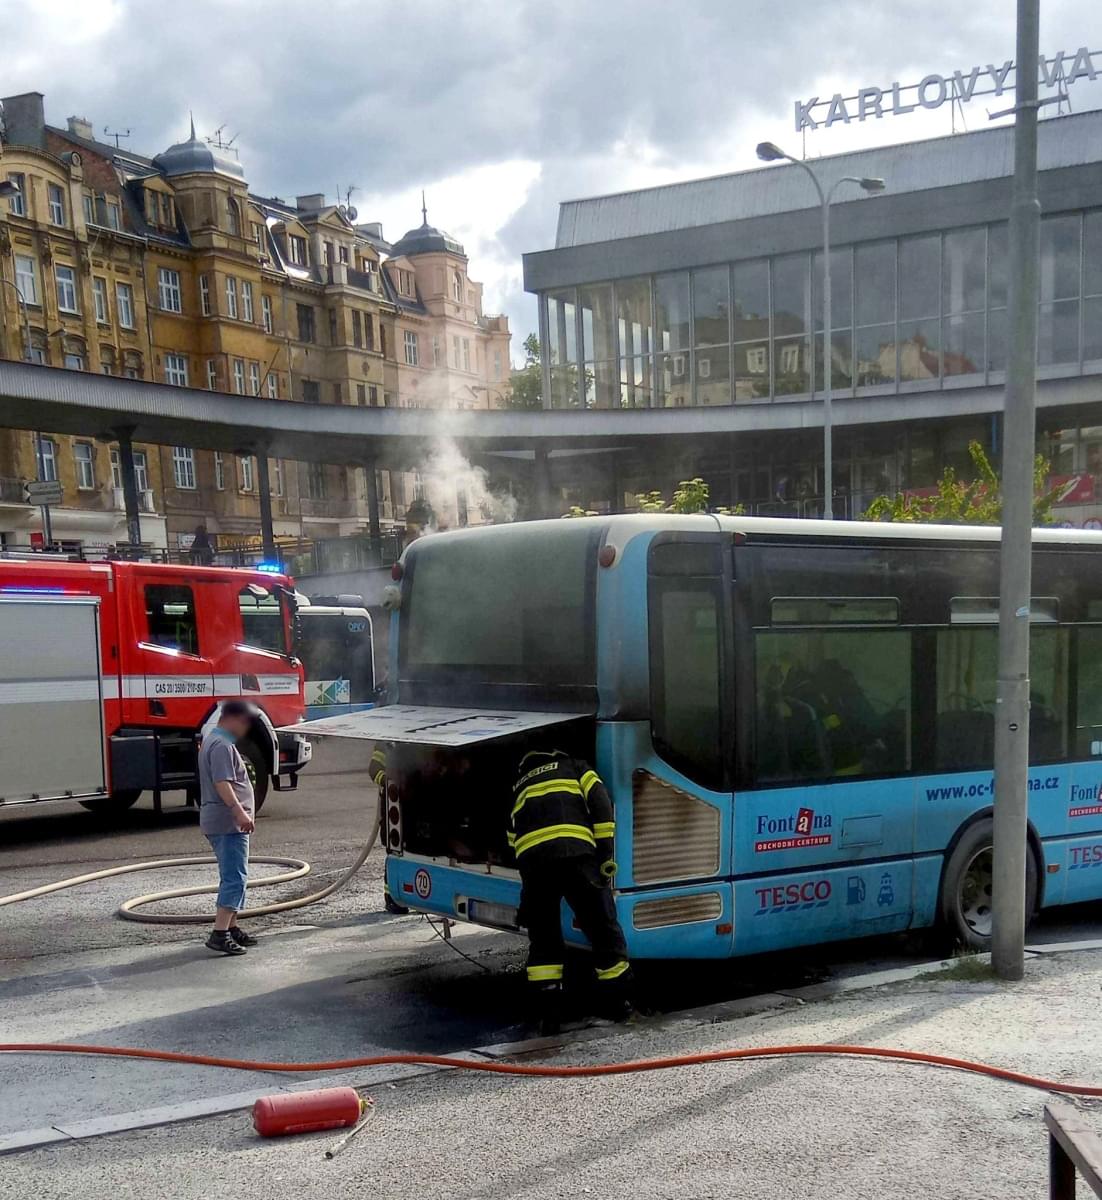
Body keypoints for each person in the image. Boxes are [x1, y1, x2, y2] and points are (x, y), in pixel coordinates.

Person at [509, 748, 633, 1034]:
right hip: (577, 856)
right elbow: (601, 805)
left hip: (535, 866)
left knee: (544, 941)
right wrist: (605, 854)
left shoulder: (520, 784)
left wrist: (529, 875)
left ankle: (550, 1017)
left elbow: (511, 836)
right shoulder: (577, 767)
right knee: (603, 931)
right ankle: (618, 1007)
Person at [198, 700, 258, 955]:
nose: (245, 728)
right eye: (243, 722)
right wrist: (239, 812)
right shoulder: (221, 745)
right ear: (232, 718)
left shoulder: (213, 740)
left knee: (232, 874)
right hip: (227, 823)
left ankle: (231, 927)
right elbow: (222, 782)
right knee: (235, 878)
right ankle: (220, 933)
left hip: (221, 821)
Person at [370, 743, 409, 914]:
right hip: (394, 807)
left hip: (414, 805)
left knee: (417, 853)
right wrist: (389, 782)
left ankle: (418, 896)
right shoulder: (386, 742)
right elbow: (374, 769)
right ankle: (392, 898)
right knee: (395, 851)